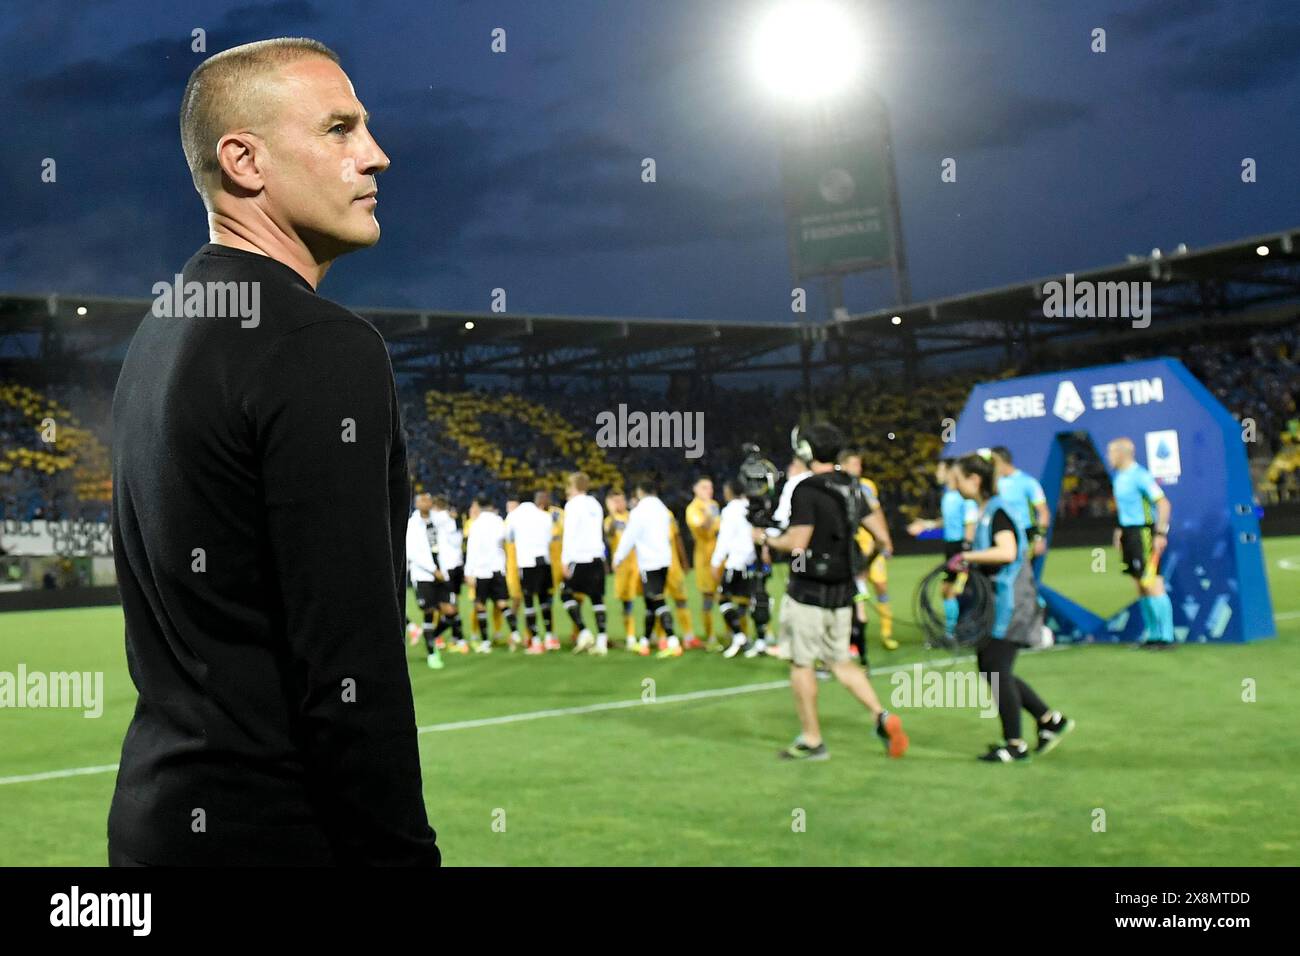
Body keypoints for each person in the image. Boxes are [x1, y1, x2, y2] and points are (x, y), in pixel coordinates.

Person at [109, 38, 437, 865]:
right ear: (244, 160)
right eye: (339, 128)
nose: (377, 154)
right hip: (278, 837)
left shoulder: (161, 332)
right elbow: (349, 673)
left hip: (158, 823)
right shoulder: (319, 344)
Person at [756, 423, 908, 761]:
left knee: (801, 663)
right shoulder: (853, 486)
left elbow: (797, 544)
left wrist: (766, 539)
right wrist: (862, 564)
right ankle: (881, 716)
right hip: (842, 590)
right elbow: (884, 540)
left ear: (807, 452)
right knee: (840, 661)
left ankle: (812, 739)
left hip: (808, 590)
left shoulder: (805, 489)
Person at [948, 454, 1074, 761]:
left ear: (974, 480)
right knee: (993, 669)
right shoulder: (989, 511)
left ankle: (1014, 745)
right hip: (1000, 601)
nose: (954, 484)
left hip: (1010, 603)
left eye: (958, 478)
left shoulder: (997, 511)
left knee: (994, 670)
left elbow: (1006, 552)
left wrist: (968, 558)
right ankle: (1049, 720)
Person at [1106, 437, 1175, 647]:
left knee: (1152, 582)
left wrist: (1160, 533)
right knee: (1139, 585)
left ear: (1121, 453)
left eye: (1111, 452)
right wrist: (1119, 530)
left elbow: (1163, 503)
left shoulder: (1140, 476)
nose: (1108, 457)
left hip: (1142, 532)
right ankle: (1152, 634)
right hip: (1128, 532)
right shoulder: (1119, 477)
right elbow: (1123, 508)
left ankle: (1167, 636)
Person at [907, 459, 977, 643]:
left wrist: (966, 549)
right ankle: (953, 631)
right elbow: (948, 520)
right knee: (948, 589)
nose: (937, 473)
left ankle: (955, 632)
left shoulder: (964, 495)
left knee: (954, 589)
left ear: (949, 471)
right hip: (951, 546)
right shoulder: (948, 495)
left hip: (961, 547)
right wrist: (927, 524)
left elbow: (970, 523)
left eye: (940, 469)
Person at [838, 449, 897, 658]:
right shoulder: (839, 486)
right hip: (853, 549)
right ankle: (853, 640)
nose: (858, 468)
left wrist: (885, 540)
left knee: (880, 586)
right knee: (856, 595)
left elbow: (876, 513)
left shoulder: (867, 486)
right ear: (843, 465)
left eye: (859, 465)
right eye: (854, 464)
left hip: (872, 546)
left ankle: (886, 633)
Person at [613, 480, 677, 657]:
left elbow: (630, 536)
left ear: (640, 492)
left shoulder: (639, 512)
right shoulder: (662, 509)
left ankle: (673, 641)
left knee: (657, 600)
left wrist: (618, 556)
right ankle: (645, 642)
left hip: (649, 561)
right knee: (650, 604)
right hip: (664, 559)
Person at [560, 472, 609, 654]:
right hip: (597, 556)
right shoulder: (595, 504)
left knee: (565, 594)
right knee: (597, 598)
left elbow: (570, 533)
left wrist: (565, 560)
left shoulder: (572, 505)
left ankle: (584, 631)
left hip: (579, 557)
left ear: (573, 486)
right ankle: (602, 641)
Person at [505, 488, 558, 654]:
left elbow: (509, 537)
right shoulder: (544, 516)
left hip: (526, 562)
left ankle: (535, 640)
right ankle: (550, 638)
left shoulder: (514, 516)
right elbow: (550, 538)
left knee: (529, 603)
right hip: (544, 560)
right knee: (544, 600)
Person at [463, 495, 518, 652]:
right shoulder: (499, 521)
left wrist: (469, 572)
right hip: (498, 568)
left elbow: (472, 550)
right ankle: (514, 633)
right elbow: (506, 541)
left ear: (479, 507)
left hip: (481, 570)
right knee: (502, 603)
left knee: (480, 605)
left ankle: (486, 642)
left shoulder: (476, 524)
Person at [712, 479, 759, 658]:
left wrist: (716, 561)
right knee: (746, 601)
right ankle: (757, 639)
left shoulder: (730, 510)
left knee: (723, 599)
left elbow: (724, 538)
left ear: (730, 491)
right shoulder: (751, 506)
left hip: (736, 562)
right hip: (752, 562)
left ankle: (739, 636)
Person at [405, 492, 445, 669]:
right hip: (424, 574)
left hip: (442, 572)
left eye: (428, 499)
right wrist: (432, 569)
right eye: (421, 500)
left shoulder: (438, 521)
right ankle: (432, 653)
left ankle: (428, 635)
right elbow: (413, 552)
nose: (425, 502)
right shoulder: (413, 524)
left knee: (450, 611)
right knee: (428, 611)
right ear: (416, 503)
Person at [989, 447, 1050, 558]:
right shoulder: (995, 484)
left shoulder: (1028, 482)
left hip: (1025, 534)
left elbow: (1043, 512)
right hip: (1003, 533)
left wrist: (1039, 537)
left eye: (992, 462)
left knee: (1024, 571)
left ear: (1001, 461)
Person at [685, 477, 721, 649]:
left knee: (725, 595)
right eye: (705, 487)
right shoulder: (693, 509)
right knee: (708, 597)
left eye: (711, 487)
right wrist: (708, 511)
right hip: (704, 558)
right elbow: (703, 527)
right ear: (696, 490)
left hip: (720, 556)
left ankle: (731, 632)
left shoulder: (714, 505)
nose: (709, 491)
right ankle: (711, 637)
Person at [604, 489, 642, 648]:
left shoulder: (633, 516)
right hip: (623, 567)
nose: (620, 504)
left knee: (651, 598)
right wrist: (612, 513)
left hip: (640, 563)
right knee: (628, 602)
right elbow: (609, 533)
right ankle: (631, 637)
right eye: (616, 501)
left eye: (622, 500)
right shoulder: (610, 520)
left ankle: (654, 634)